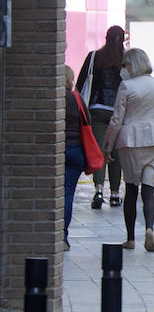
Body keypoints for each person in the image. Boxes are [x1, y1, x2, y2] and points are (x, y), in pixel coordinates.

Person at [103, 47, 154, 252]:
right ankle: (149, 228)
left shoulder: (126, 86)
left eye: (124, 65)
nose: (122, 69)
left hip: (131, 142)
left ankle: (130, 238)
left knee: (131, 189)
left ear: (131, 65)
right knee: (149, 190)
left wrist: (108, 146)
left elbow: (116, 119)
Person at [75, 24, 126, 210]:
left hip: (96, 110)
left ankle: (98, 191)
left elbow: (80, 84)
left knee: (99, 151)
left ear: (106, 38)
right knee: (116, 153)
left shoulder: (94, 56)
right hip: (119, 111)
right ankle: (115, 194)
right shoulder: (126, 60)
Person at [63, 66, 87, 250]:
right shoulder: (77, 98)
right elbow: (88, 122)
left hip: (59, 150)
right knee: (68, 193)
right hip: (77, 151)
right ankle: (63, 236)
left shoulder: (54, 98)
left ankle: (56, 234)